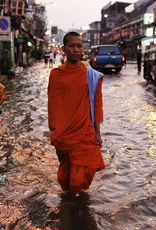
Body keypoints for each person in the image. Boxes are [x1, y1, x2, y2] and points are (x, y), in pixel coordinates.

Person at [48, 31, 105, 196]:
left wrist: (98, 133)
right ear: (64, 49)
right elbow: (53, 106)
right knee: (67, 175)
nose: (75, 50)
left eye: (79, 46)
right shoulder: (56, 75)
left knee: (85, 172)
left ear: (83, 49)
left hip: (85, 131)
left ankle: (74, 202)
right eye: (71, 46)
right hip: (64, 132)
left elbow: (97, 104)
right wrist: (54, 133)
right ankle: (71, 204)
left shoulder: (91, 75)